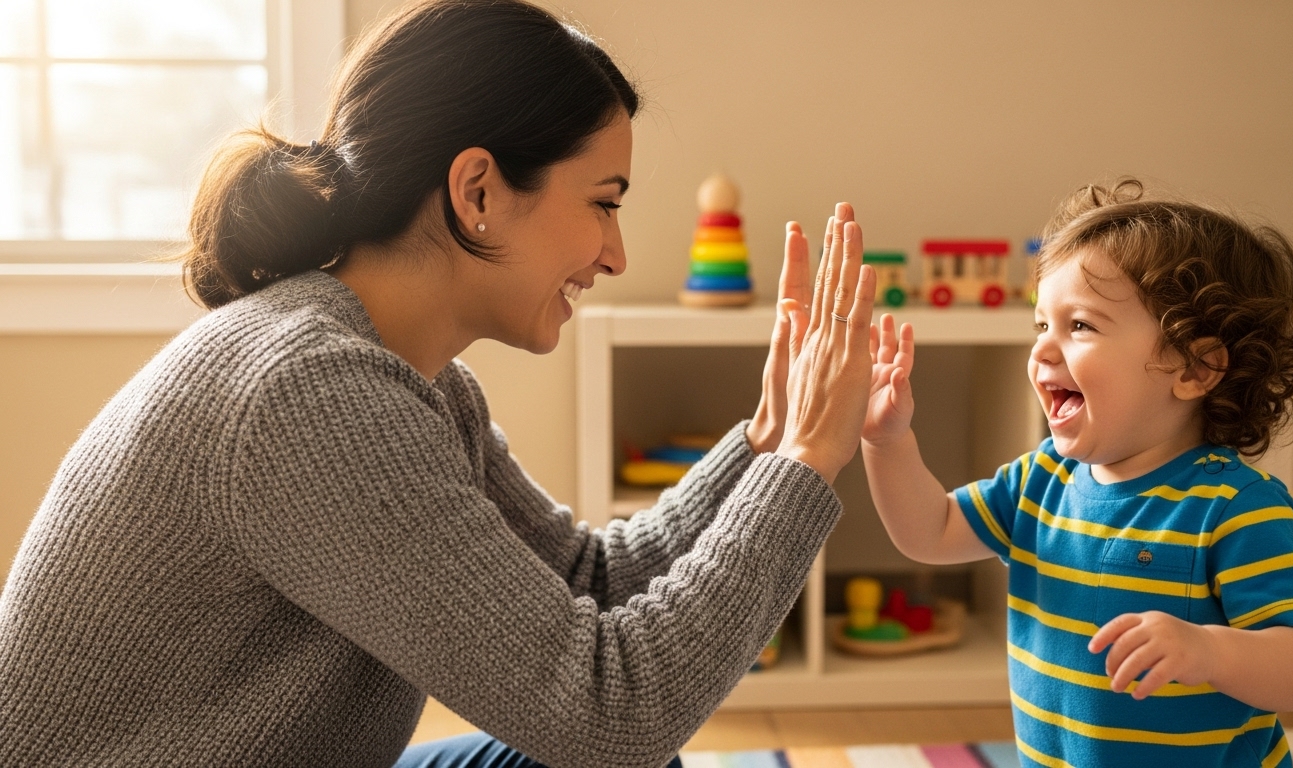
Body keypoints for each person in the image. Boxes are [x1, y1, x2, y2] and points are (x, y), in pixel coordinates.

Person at [0, 2, 880, 766]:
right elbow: (612, 717)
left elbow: (586, 582)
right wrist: (804, 462)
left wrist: (767, 442)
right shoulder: (309, 396)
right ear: (478, 191)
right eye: (604, 203)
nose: (616, 254)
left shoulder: (411, 382)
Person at [859, 179, 1293, 767]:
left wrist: (1210, 651)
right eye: (1041, 326)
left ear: (1194, 368)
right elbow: (928, 532)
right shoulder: (1042, 480)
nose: (1041, 350)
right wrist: (887, 442)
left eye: (1079, 326)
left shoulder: (1236, 507)